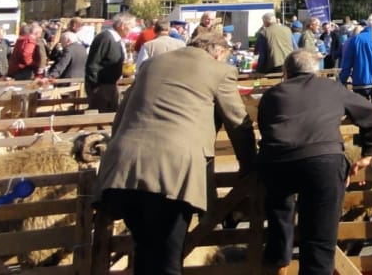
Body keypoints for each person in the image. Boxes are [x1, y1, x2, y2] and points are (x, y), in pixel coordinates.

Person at [94, 32, 256, 275]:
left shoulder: (152, 65)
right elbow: (238, 123)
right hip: (173, 172)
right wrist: (249, 166)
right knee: (169, 254)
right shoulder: (218, 71)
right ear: (220, 52)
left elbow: (121, 117)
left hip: (124, 166)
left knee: (145, 250)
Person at [258, 51, 372, 275]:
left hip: (278, 161)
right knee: (320, 238)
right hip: (323, 160)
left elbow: (266, 130)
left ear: (286, 72)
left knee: (279, 223)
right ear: (316, 69)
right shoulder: (331, 87)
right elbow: (371, 114)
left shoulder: (272, 94)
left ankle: (278, 259)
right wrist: (368, 152)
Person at [86, 13, 134, 113]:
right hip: (101, 86)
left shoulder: (116, 40)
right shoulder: (105, 38)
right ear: (122, 26)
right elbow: (93, 63)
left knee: (111, 117)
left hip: (111, 85)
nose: (131, 30)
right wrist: (95, 87)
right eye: (131, 27)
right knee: (99, 119)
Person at [339, 14, 372, 102]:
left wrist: (342, 80)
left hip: (361, 82)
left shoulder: (355, 40)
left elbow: (347, 63)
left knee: (362, 113)